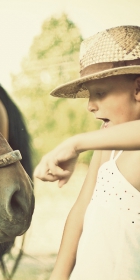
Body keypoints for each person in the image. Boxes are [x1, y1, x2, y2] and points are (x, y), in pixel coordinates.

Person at [34, 25, 140, 280]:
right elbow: (80, 211)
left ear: (138, 89)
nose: (90, 106)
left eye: (100, 93)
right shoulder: (107, 148)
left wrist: (76, 142)